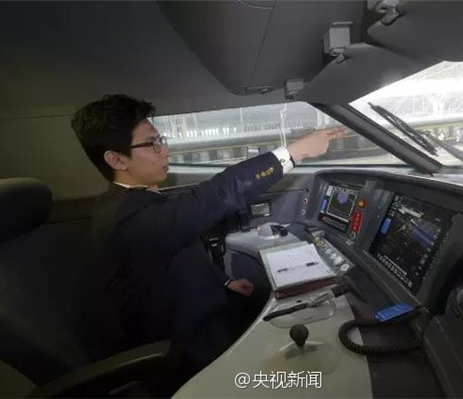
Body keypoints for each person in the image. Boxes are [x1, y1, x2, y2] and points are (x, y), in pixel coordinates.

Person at [71, 94, 344, 388]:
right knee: (309, 379)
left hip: (200, 311)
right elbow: (215, 196)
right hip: (183, 350)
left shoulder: (135, 202)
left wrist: (222, 283)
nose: (165, 149)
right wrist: (293, 153)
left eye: (160, 138)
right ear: (116, 159)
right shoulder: (123, 218)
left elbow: (176, 246)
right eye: (152, 143)